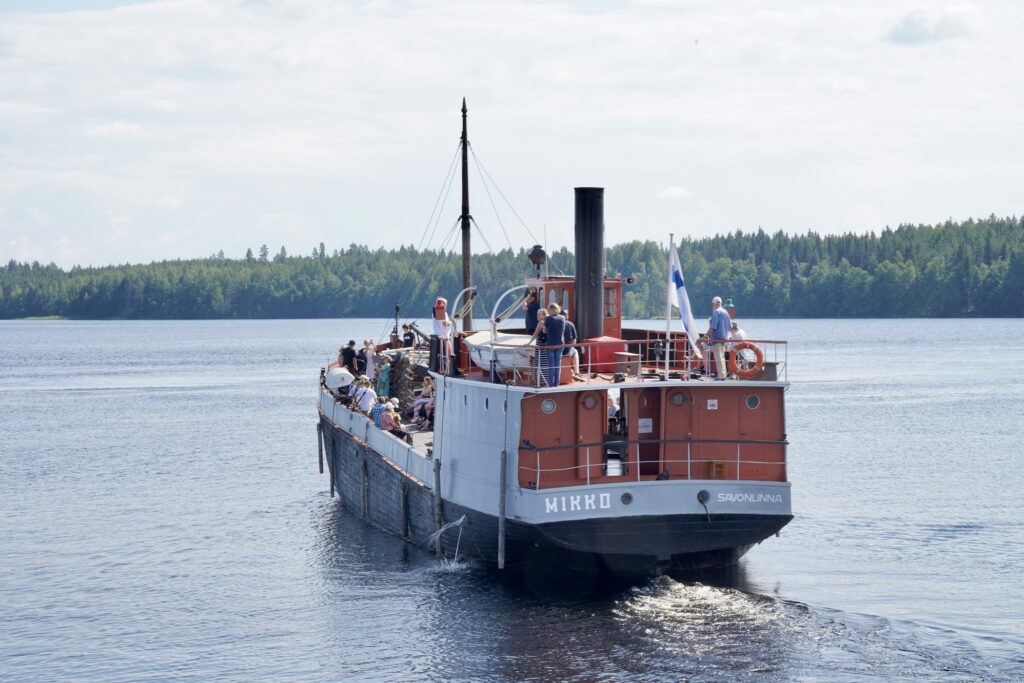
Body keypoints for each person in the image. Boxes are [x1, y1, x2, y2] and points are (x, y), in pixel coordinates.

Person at [705, 296, 731, 379]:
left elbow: (713, 327)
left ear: (714, 304)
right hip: (724, 339)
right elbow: (729, 326)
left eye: (712, 304)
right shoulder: (726, 312)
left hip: (716, 339)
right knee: (722, 358)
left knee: (719, 358)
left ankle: (721, 376)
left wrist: (705, 336)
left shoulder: (716, 312)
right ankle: (723, 375)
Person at [542, 303, 567, 387]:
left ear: (552, 309)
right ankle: (557, 384)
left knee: (551, 366)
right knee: (558, 366)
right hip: (560, 344)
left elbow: (544, 331)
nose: (548, 310)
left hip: (551, 344)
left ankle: (551, 385)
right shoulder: (563, 318)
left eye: (548, 309)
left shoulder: (548, 319)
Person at [528, 308, 549, 386]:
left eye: (539, 314)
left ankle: (540, 382)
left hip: (540, 346)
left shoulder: (541, 323)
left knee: (539, 363)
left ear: (544, 315)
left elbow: (536, 334)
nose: (537, 316)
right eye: (537, 314)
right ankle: (546, 381)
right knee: (545, 364)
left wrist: (528, 343)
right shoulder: (548, 322)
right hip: (546, 346)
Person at [432, 298, 452, 374]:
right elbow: (444, 323)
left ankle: (446, 369)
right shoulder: (439, 310)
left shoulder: (439, 311)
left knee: (448, 354)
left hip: (444, 336)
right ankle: (445, 370)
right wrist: (451, 322)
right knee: (447, 355)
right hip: (443, 337)